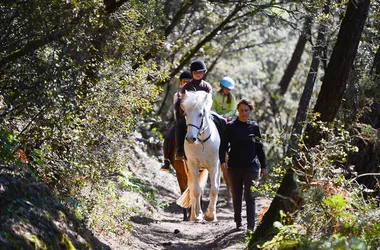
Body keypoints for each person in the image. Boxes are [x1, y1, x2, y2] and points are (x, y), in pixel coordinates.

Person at [219, 98, 268, 232]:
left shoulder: (254, 127)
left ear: (250, 111)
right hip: (234, 167)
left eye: (246, 110)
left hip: (252, 167)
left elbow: (259, 147)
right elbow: (223, 145)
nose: (243, 113)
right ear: (237, 111)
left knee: (250, 196)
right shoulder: (230, 127)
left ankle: (251, 226)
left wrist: (264, 166)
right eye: (241, 110)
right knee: (237, 195)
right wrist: (222, 161)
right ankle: (238, 222)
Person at [175, 59, 213, 160]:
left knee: (221, 121)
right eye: (195, 72)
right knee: (179, 124)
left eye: (200, 72)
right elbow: (183, 103)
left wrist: (204, 111)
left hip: (204, 114)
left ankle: (223, 151)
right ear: (192, 73)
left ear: (203, 73)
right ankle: (179, 150)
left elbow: (209, 102)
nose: (197, 74)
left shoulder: (207, 86)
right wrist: (189, 110)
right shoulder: (187, 86)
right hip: (190, 114)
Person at [161, 70, 192, 171]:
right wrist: (179, 120)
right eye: (184, 81)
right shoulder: (177, 95)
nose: (186, 83)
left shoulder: (195, 94)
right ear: (181, 83)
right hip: (181, 120)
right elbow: (175, 111)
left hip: (193, 122)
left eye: (188, 81)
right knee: (168, 137)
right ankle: (166, 161)